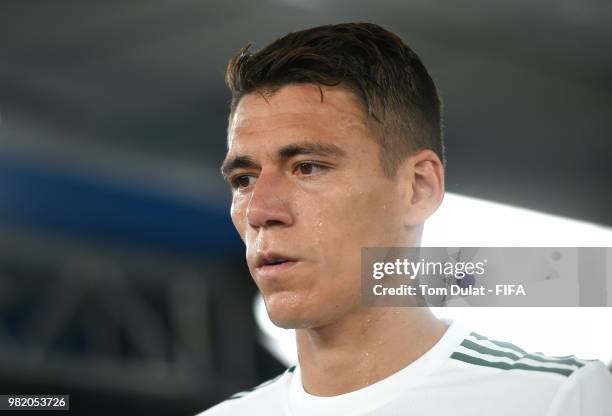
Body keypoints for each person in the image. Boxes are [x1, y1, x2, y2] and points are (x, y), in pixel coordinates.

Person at [199, 22, 612, 415]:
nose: (259, 211)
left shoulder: (554, 399)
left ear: (418, 188)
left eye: (308, 167)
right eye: (244, 179)